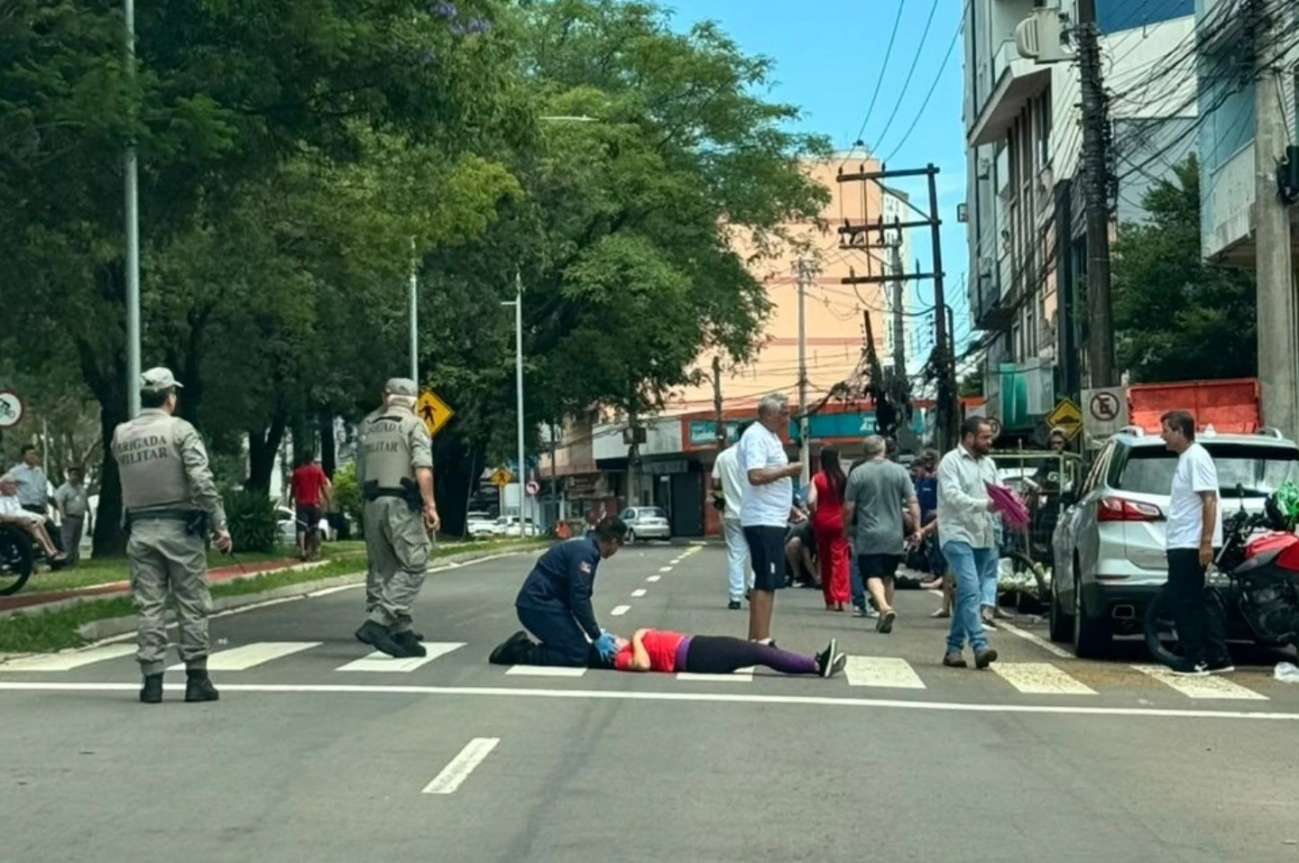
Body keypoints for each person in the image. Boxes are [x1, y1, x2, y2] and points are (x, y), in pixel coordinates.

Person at [111, 367, 231, 704]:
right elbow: (201, 481)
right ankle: (197, 678)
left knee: (149, 606)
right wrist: (219, 524)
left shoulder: (121, 434)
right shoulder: (181, 430)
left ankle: (151, 681)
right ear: (170, 397)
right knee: (191, 603)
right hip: (181, 528)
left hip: (140, 529)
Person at [354, 378, 439, 659]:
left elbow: (360, 471)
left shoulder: (368, 426)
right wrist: (430, 506)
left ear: (387, 397)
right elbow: (422, 468)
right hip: (401, 503)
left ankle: (402, 631)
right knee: (415, 562)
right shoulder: (414, 425)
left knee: (386, 569)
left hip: (372, 503)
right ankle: (379, 622)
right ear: (414, 401)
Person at [489, 516, 628, 667]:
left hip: (547, 605)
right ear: (613, 541)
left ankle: (532, 648)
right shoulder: (586, 553)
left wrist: (593, 632)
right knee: (577, 654)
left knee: (576, 647)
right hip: (537, 605)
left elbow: (576, 597)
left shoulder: (587, 547)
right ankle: (519, 651)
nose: (616, 550)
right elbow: (579, 597)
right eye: (619, 545)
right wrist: (596, 635)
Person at [1160, 410, 1231, 676]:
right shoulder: (1186, 458)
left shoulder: (1196, 457)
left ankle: (1195, 659)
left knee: (1184, 602)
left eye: (1166, 430)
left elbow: (1209, 500)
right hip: (1183, 541)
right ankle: (1217, 657)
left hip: (1190, 543)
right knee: (1196, 601)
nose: (1162, 436)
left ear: (1180, 431)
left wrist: (1206, 543)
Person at [937, 417, 1007, 670]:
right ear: (968, 438)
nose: (990, 441)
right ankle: (979, 645)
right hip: (956, 533)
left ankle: (953, 649)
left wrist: (1011, 503)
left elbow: (999, 491)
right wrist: (984, 505)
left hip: (983, 535)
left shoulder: (989, 464)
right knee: (969, 589)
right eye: (984, 437)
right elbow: (952, 495)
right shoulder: (950, 462)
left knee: (969, 594)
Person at [737, 394, 803, 644]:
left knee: (764, 579)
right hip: (763, 518)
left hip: (771, 516)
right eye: (783, 413)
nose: (787, 418)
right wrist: (788, 470)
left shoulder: (771, 437)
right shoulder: (756, 436)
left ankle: (755, 638)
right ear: (767, 414)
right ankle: (762, 638)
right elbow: (755, 475)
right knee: (767, 580)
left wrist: (790, 507)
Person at [843, 436, 921, 635]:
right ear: (883, 449)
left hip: (868, 533)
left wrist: (845, 530)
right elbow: (912, 502)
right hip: (894, 534)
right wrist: (917, 528)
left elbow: (849, 508)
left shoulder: (858, 474)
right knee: (888, 575)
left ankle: (884, 608)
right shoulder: (900, 471)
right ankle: (884, 615)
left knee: (871, 575)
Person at [607, 628, 846, 678]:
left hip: (695, 645)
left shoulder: (628, 647)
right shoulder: (621, 656)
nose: (616, 637)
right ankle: (816, 665)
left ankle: (814, 663)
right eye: (611, 639)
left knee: (758, 650)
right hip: (694, 655)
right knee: (758, 652)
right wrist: (638, 637)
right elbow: (643, 665)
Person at [711, 424, 752, 610]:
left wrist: (724, 496)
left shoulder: (724, 456)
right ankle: (753, 586)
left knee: (736, 555)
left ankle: (735, 597)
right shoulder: (755, 456)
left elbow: (715, 483)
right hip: (754, 513)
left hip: (732, 513)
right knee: (758, 553)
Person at [808, 447, 850, 611]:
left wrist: (814, 514)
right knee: (840, 560)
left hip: (822, 522)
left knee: (825, 560)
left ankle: (830, 600)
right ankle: (841, 598)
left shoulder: (817, 478)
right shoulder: (843, 479)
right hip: (840, 521)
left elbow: (810, 500)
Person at [0, 477, 65, 562]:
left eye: (14, 484)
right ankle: (49, 552)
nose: (13, 486)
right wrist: (19, 519)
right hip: (8, 523)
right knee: (33, 525)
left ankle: (53, 550)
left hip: (20, 520)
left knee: (39, 523)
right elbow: (2, 516)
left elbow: (20, 511)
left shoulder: (14, 497)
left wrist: (38, 516)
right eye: (10, 484)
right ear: (2, 486)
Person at [290, 452, 332, 561]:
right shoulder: (318, 471)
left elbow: (293, 488)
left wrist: (290, 500)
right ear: (312, 459)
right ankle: (316, 551)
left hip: (301, 504)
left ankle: (302, 551)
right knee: (315, 527)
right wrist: (328, 501)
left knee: (301, 528)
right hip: (315, 504)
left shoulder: (298, 472)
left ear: (303, 459)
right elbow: (323, 487)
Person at [53, 467, 91, 566]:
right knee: (67, 540)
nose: (75, 477)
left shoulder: (81, 488)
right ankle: (66, 561)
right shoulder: (63, 489)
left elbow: (85, 500)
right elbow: (59, 502)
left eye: (77, 475)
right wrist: (62, 514)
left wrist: (89, 512)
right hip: (69, 517)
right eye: (73, 474)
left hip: (80, 517)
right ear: (69, 475)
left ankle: (74, 560)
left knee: (76, 540)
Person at [9, 444, 50, 519]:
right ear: (23, 456)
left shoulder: (40, 472)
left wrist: (45, 508)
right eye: (30, 454)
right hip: (24, 508)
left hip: (39, 508)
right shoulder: (15, 471)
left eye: (34, 454)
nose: (33, 456)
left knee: (52, 527)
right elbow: (6, 488)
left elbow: (44, 491)